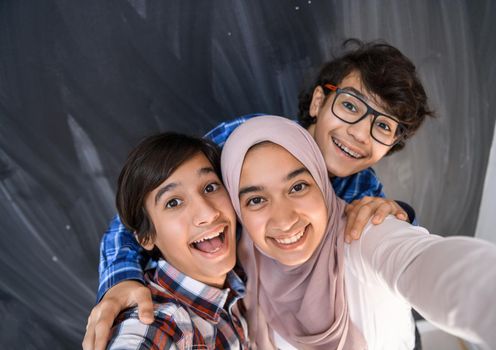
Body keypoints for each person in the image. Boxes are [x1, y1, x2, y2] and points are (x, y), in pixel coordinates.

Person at [83, 38, 434, 349]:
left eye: (384, 127)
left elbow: (395, 241)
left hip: (261, 317)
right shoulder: (248, 140)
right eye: (351, 107)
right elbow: (144, 205)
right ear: (317, 102)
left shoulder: (362, 188)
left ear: (390, 147)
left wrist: (398, 212)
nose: (359, 133)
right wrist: (121, 278)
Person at [221, 115, 496, 350]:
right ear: (237, 207)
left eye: (298, 186)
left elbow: (425, 263)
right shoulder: (246, 260)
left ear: (322, 183)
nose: (284, 220)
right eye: (256, 200)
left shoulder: (363, 233)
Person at [104, 133, 248, 349]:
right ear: (146, 237)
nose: (207, 213)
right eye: (173, 202)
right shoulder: (157, 322)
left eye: (210, 187)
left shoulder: (243, 278)